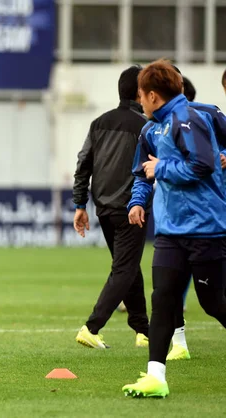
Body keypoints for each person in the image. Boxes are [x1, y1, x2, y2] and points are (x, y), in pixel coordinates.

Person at [122, 59, 226, 398]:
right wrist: (137, 201)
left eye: (140, 95)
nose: (139, 102)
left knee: (214, 303)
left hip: (206, 229)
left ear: (152, 95)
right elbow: (142, 172)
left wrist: (161, 168)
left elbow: (202, 165)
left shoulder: (194, 117)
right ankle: (156, 378)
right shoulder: (150, 130)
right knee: (163, 300)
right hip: (169, 232)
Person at [72, 64, 150, 350]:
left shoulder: (99, 122)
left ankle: (143, 330)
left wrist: (80, 204)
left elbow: (83, 164)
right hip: (132, 207)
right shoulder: (146, 126)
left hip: (103, 208)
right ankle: (92, 326)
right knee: (124, 269)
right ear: (141, 92)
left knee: (128, 268)